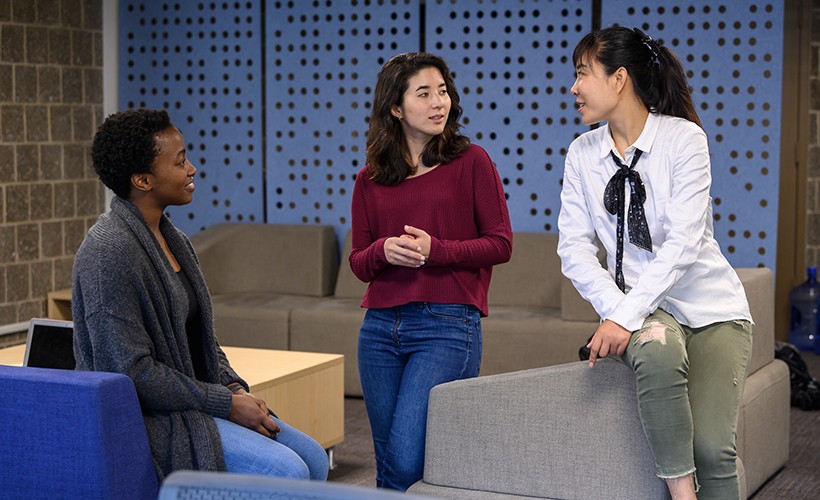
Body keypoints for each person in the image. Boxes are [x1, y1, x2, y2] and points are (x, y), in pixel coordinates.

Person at [72, 108, 329, 482]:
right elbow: (132, 373)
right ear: (143, 179)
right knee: (288, 470)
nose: (191, 169)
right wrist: (226, 404)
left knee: (315, 459)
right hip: (152, 420)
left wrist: (233, 386)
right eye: (179, 162)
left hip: (196, 400)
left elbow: (202, 341)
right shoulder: (107, 252)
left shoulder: (175, 240)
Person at [557, 27, 753, 500]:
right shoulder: (582, 154)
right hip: (647, 308)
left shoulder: (685, 140)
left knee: (712, 448)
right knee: (657, 350)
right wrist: (617, 310)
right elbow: (574, 248)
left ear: (619, 78)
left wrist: (622, 315)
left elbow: (683, 245)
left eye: (583, 74)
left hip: (711, 308)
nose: (574, 87)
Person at [350, 52, 513, 491]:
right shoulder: (370, 179)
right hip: (380, 328)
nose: (438, 102)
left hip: (447, 326)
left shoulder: (472, 161)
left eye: (442, 91)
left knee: (406, 459)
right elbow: (359, 262)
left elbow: (501, 244)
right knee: (386, 463)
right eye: (424, 93)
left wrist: (434, 250)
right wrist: (384, 250)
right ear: (396, 108)